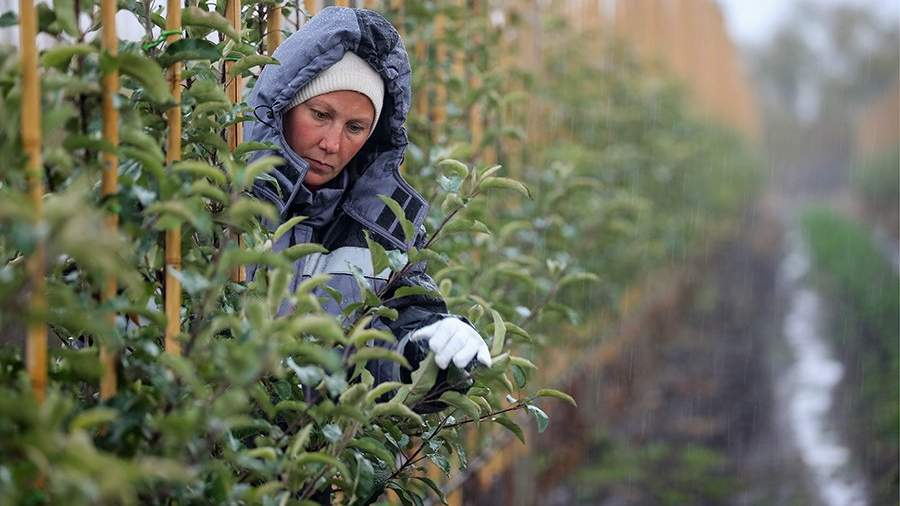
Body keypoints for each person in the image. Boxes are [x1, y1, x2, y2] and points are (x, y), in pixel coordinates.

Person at [245, 6, 491, 413]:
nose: (331, 143)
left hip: (311, 450)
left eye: (355, 127)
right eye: (320, 115)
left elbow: (389, 340)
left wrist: (428, 351)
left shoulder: (380, 225)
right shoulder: (224, 201)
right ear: (284, 105)